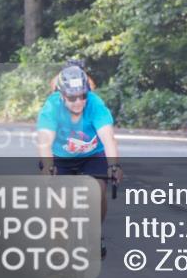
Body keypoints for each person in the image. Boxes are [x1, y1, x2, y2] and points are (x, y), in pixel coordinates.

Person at [37, 62, 123, 259]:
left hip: (92, 155)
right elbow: (44, 143)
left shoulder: (95, 104)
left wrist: (114, 165)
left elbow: (108, 138)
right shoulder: (51, 107)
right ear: (62, 95)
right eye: (72, 98)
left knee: (98, 190)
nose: (78, 102)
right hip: (60, 157)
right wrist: (48, 168)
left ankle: (96, 233)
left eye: (82, 96)